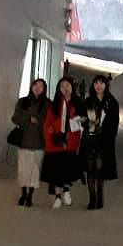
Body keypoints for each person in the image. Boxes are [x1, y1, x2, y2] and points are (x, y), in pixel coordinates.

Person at [79, 75, 119, 211]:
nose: (99, 86)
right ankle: (92, 198)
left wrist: (104, 130)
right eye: (96, 83)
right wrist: (87, 122)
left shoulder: (111, 102)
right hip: (90, 139)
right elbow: (82, 119)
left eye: (102, 83)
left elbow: (114, 123)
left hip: (103, 141)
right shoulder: (88, 101)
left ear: (106, 85)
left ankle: (100, 197)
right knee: (90, 170)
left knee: (99, 170)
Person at [41, 77, 83, 208]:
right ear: (59, 89)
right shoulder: (54, 105)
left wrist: (80, 121)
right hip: (55, 143)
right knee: (56, 172)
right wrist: (50, 135)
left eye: (68, 86)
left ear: (72, 87)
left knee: (66, 170)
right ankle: (58, 196)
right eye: (62, 86)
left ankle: (66, 190)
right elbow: (47, 124)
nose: (65, 89)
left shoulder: (78, 103)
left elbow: (82, 121)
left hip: (70, 142)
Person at [12, 78, 49, 207]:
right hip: (24, 140)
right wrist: (28, 118)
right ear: (32, 86)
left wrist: (39, 120)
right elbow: (15, 118)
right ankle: (23, 193)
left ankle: (30, 196)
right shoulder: (23, 101)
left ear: (44, 90)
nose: (38, 88)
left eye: (41, 86)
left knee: (35, 170)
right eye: (36, 85)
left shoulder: (47, 103)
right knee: (23, 169)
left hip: (40, 141)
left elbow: (49, 121)